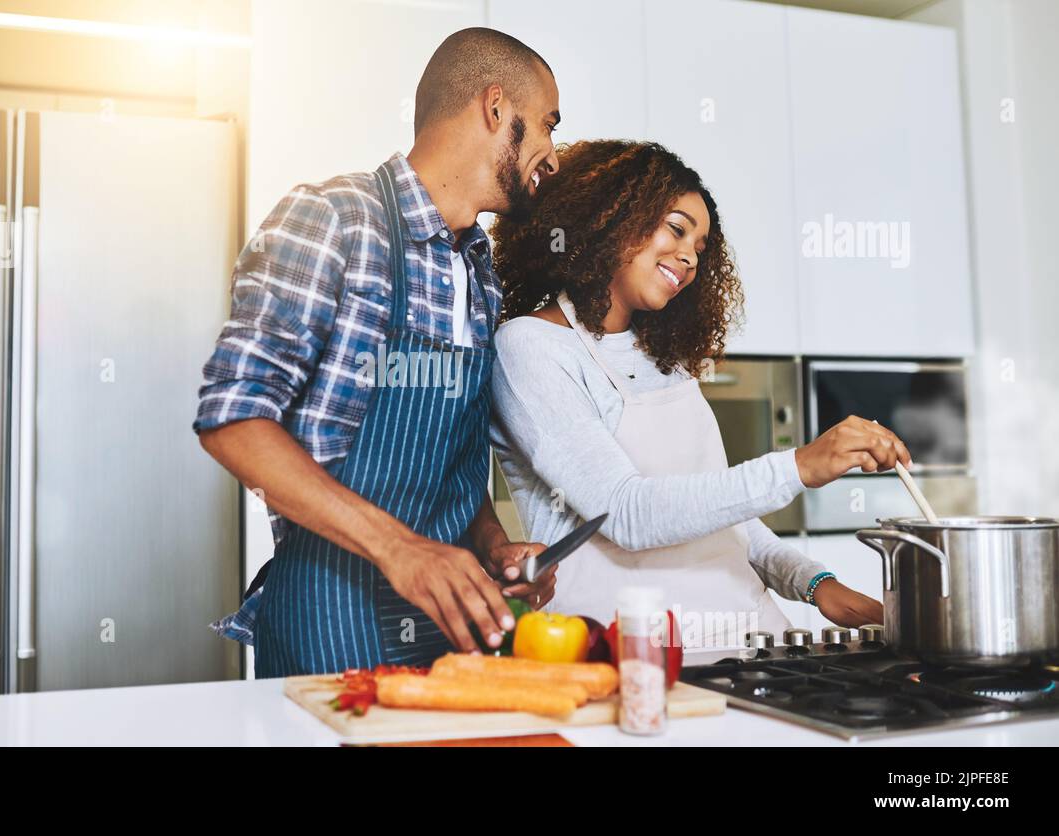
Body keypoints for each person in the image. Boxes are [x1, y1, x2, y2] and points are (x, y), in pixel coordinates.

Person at [196, 28, 563, 676]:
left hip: (447, 630)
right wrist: (401, 551)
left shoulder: (480, 273)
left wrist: (493, 547)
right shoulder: (333, 218)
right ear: (496, 107)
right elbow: (233, 420)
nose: (552, 155)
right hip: (326, 624)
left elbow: (447, 457)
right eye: (546, 126)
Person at [488, 139, 907, 649]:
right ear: (609, 216)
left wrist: (814, 582)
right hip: (626, 652)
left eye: (700, 248)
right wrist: (797, 466)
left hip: (746, 639)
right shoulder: (529, 347)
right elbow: (626, 513)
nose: (688, 257)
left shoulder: (662, 356)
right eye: (677, 229)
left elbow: (717, 514)